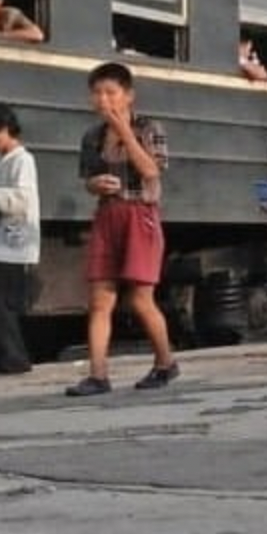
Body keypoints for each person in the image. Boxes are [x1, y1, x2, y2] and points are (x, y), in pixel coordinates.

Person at [66, 63, 178, 396]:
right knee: (100, 299)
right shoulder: (92, 136)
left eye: (111, 92)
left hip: (140, 214)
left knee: (141, 299)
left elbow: (151, 171)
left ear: (129, 96)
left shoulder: (149, 128)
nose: (103, 99)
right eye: (97, 93)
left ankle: (165, 362)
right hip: (107, 215)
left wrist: (124, 132)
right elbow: (87, 180)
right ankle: (98, 374)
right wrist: (95, 185)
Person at [0, 103, 38, 377]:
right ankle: (3, 353)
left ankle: (15, 359)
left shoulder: (22, 160)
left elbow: (21, 201)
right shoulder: (0, 159)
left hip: (12, 246)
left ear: (4, 129)